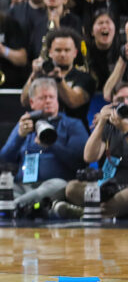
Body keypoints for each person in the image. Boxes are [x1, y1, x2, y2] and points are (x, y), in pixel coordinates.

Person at [0, 77, 87, 218]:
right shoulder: (24, 125)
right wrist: (19, 136)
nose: (48, 101)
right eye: (42, 98)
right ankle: (32, 208)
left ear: (57, 100)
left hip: (51, 184)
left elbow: (79, 160)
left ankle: (2, 210)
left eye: (51, 97)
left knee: (58, 185)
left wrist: (52, 144)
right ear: (32, 103)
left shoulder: (72, 124)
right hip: (22, 186)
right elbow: (4, 159)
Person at [54, 81, 128, 219]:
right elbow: (89, 157)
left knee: (118, 201)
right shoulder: (109, 125)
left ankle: (84, 212)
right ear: (112, 102)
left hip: (126, 187)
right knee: (72, 188)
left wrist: (125, 130)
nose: (125, 103)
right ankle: (100, 210)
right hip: (106, 186)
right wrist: (101, 124)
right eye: (120, 99)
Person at [20, 27, 95, 127]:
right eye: (58, 50)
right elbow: (25, 101)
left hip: (74, 130)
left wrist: (58, 79)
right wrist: (34, 75)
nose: (63, 54)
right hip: (44, 128)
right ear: (50, 52)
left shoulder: (85, 78)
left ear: (75, 53)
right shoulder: (41, 76)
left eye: (67, 50)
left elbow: (74, 101)